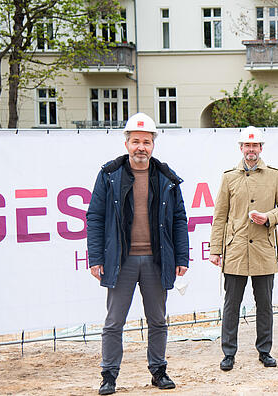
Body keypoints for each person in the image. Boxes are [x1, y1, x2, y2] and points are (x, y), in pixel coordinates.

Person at [86, 113, 189, 395]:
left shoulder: (165, 177)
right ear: (126, 143)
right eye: (135, 141)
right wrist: (95, 258)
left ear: (153, 144)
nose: (140, 147)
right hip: (121, 261)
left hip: (157, 260)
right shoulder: (109, 175)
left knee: (158, 320)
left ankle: (158, 371)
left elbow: (179, 219)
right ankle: (109, 376)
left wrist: (182, 257)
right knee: (113, 322)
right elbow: (95, 217)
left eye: (146, 141)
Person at [208, 126, 278, 372]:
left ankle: (264, 351)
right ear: (241, 148)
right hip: (235, 249)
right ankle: (228, 353)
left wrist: (268, 217)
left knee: (264, 303)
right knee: (231, 304)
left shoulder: (274, 176)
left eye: (255, 146)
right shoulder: (229, 177)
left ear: (261, 148)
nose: (251, 150)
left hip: (264, 249)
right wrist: (216, 249)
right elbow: (220, 216)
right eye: (247, 146)